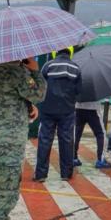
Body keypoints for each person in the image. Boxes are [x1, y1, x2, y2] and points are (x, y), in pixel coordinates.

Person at [0, 58, 46, 220]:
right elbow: (39, 93)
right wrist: (35, 71)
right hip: (6, 142)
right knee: (3, 191)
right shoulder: (14, 71)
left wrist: (25, 104)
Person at [35, 49, 82, 181]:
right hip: (67, 111)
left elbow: (40, 85)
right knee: (67, 141)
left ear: (56, 53)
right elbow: (79, 91)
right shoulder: (75, 68)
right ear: (70, 53)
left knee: (45, 140)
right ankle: (66, 174)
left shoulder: (48, 65)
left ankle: (40, 175)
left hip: (47, 109)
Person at [74, 101, 111, 169]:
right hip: (93, 109)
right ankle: (101, 159)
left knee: (76, 134)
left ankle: (73, 158)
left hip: (78, 107)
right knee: (101, 134)